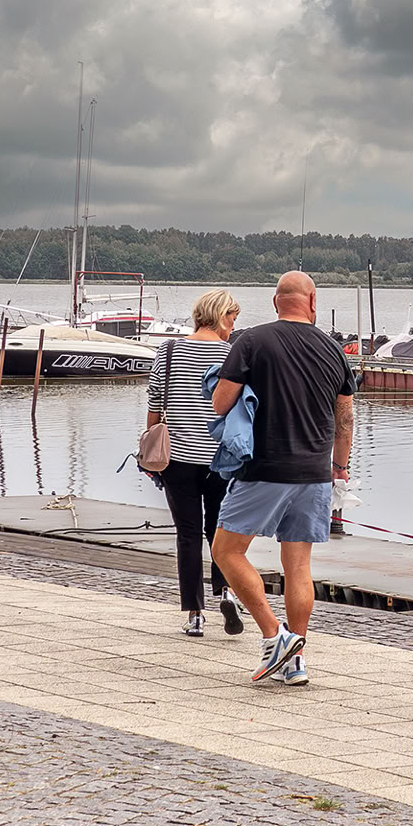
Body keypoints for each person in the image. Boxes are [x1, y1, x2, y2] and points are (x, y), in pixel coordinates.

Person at [211, 270, 354, 686]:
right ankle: (295, 662)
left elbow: (220, 403)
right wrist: (339, 467)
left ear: (276, 302)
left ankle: (274, 636)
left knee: (226, 551)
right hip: (316, 473)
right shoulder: (334, 351)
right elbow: (345, 419)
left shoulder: (252, 341)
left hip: (266, 468)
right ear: (313, 302)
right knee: (298, 566)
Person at [146, 288, 246, 639]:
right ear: (220, 315)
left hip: (177, 459)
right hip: (221, 459)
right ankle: (227, 592)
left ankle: (195, 615)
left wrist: (150, 449)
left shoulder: (168, 350)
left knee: (188, 534)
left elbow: (155, 402)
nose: (233, 326)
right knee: (220, 531)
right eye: (232, 318)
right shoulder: (232, 354)